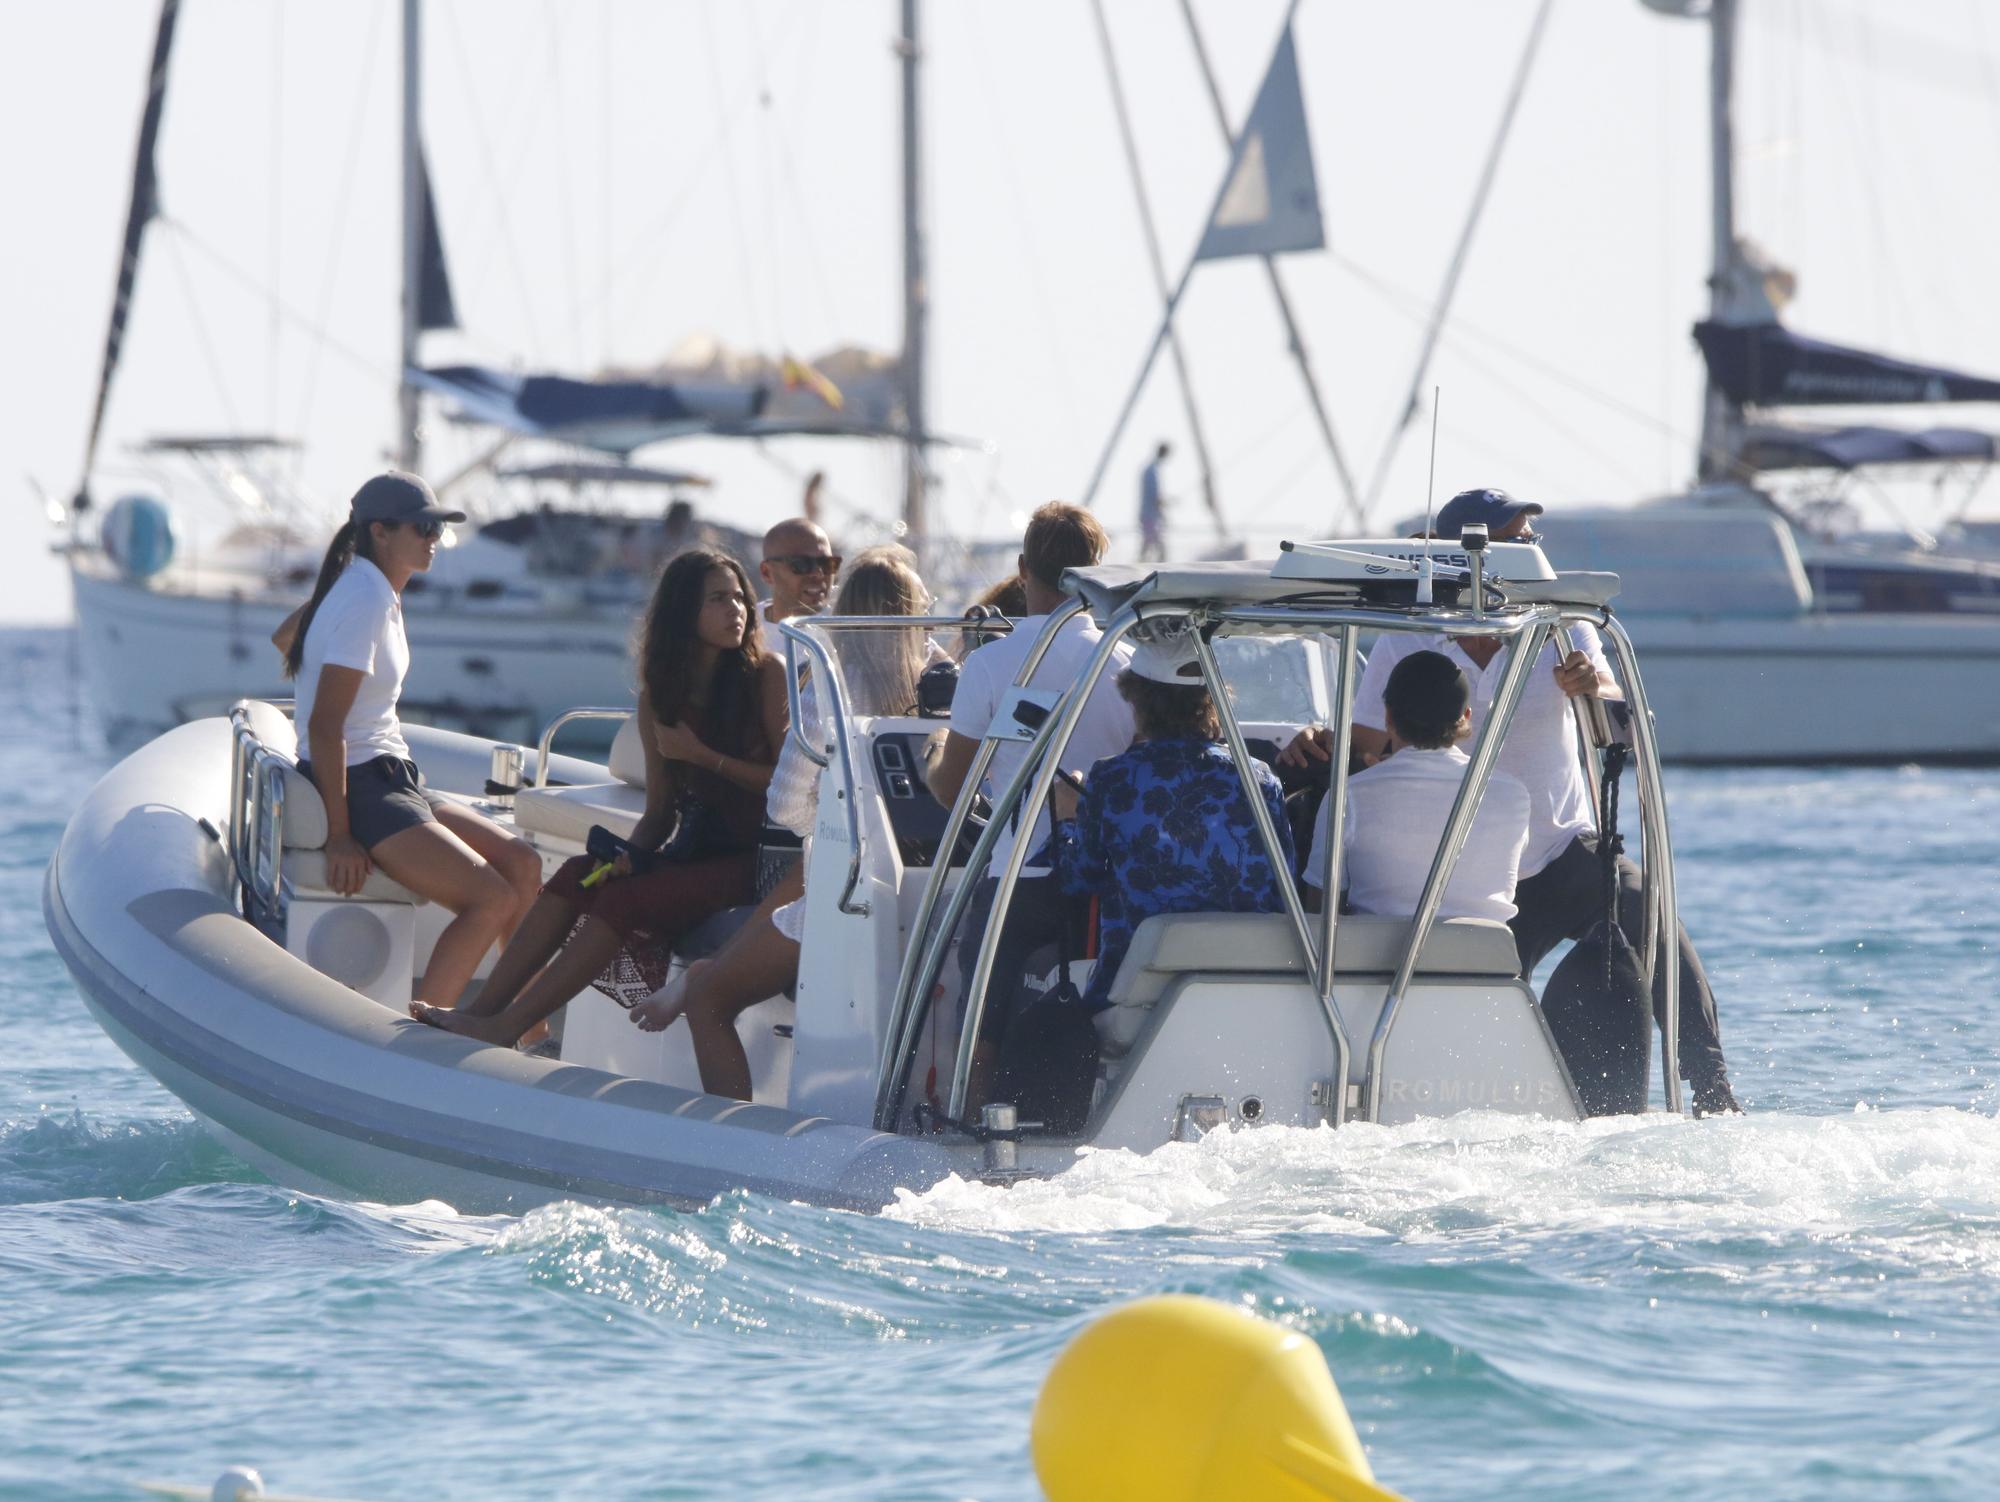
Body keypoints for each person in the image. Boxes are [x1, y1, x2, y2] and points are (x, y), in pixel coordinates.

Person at [1279, 487, 1741, 1114]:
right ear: (1468, 551)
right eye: (1516, 538)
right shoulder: (1405, 635)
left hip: (1559, 850)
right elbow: (1368, 744)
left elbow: (1619, 719)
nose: (1529, 549)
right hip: (1461, 874)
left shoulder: (1561, 623)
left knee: (1653, 916)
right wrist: (1314, 737)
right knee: (1470, 1002)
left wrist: (1590, 685)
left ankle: (1712, 1088)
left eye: (1530, 538)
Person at [412, 547, 788, 1046]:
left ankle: (507, 1027)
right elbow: (659, 813)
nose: (737, 609)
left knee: (627, 900)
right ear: (683, 612)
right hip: (696, 849)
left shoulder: (766, 674)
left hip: (756, 859)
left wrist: (702, 756)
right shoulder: (662, 696)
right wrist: (628, 856)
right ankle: (482, 1012)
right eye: (719, 599)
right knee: (575, 875)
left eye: (740, 597)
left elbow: (785, 785)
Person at [629, 549, 934, 1099]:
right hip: (933, 890)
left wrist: (828, 815)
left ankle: (737, 1136)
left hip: (846, 894)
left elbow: (784, 807)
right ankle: (709, 969)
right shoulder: (940, 687)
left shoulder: (831, 694)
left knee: (710, 1003)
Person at [279, 473, 542, 1010]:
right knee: (490, 899)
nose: (434, 541)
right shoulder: (363, 599)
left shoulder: (366, 589)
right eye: (424, 528)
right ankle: (427, 1042)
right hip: (362, 785)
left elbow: (286, 637)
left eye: (438, 530)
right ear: (380, 531)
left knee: (523, 863)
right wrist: (340, 835)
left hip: (394, 775)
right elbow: (326, 727)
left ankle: (524, 1032)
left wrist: (327, 608)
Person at [925, 502, 1137, 1081]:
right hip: (1105, 888)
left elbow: (952, 790)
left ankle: (972, 1117)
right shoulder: (1129, 665)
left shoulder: (992, 664)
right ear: (1097, 571)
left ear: (1022, 568)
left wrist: (934, 747)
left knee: (982, 1027)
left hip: (1022, 881)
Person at [1052, 625, 1293, 1007]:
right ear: (1212, 699)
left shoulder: (1113, 777)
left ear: (1137, 701)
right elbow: (1282, 883)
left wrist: (1065, 817)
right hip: (1243, 983)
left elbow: (1079, 878)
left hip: (1138, 989)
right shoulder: (1259, 777)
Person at [1302, 650, 1530, 923]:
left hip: (1379, 963)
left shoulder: (1347, 796)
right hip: (1488, 961)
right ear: (1466, 716)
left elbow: (1319, 909)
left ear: (1387, 716)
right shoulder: (1513, 795)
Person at [759, 517, 839, 631]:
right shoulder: (744, 630)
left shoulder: (853, 619)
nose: (818, 573)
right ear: (767, 573)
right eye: (801, 564)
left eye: (826, 563)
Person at [1138, 441, 1171, 562]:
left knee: (1148, 546)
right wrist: (1165, 505)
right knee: (1158, 548)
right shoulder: (1152, 471)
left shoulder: (1152, 469)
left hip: (1150, 516)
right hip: (1150, 516)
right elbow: (1155, 497)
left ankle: (1139, 567)